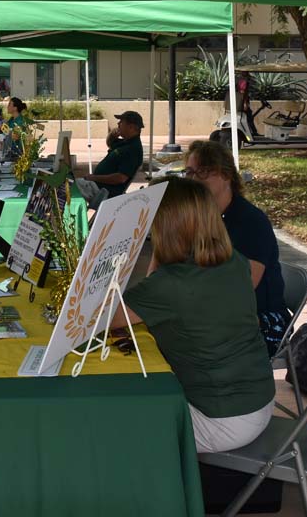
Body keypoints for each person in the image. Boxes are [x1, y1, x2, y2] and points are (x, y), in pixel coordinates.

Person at [115, 176, 275, 453]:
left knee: (110, 422)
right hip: (256, 400)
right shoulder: (233, 260)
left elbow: (100, 320)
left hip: (222, 420)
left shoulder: (170, 284)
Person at [184, 140, 289, 356]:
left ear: (226, 175)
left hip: (263, 322)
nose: (193, 180)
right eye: (189, 172)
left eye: (202, 172)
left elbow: (243, 286)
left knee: (181, 345)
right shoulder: (204, 217)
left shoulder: (250, 221)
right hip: (221, 314)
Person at [74, 110, 145, 209]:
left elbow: (120, 178)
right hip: (97, 186)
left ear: (131, 127)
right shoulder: (126, 143)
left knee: (66, 188)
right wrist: (112, 135)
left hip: (103, 191)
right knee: (66, 184)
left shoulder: (133, 149)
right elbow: (110, 143)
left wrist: (94, 178)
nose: (118, 124)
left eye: (121, 122)